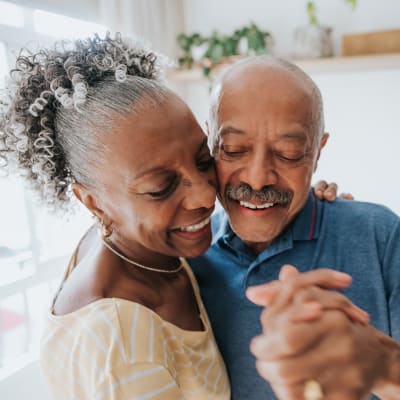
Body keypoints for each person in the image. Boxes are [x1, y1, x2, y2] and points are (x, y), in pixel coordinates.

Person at [0, 33, 343, 400]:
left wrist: (301, 194)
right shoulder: (119, 343)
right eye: (161, 187)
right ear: (93, 203)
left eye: (202, 160)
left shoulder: (139, 244)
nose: (205, 195)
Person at [189, 56, 400, 400]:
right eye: (233, 149)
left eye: (288, 154)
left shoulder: (382, 237)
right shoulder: (185, 258)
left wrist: (383, 364)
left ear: (317, 152)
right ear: (210, 142)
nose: (257, 178)